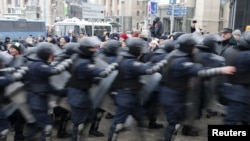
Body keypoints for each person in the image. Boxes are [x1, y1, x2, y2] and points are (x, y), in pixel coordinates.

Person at [159, 33, 236, 141]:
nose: (196, 48)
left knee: (176, 122)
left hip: (172, 94)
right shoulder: (182, 61)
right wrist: (221, 70)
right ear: (188, 46)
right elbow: (200, 71)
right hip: (174, 97)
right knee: (173, 125)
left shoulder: (175, 55)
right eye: (193, 46)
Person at [107, 37, 168, 141]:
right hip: (126, 97)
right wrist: (163, 62)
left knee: (140, 118)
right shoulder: (131, 62)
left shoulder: (123, 58)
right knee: (118, 124)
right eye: (139, 49)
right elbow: (149, 70)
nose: (141, 52)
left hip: (131, 96)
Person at [66, 37, 118, 141]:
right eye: (91, 48)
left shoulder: (80, 58)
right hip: (78, 96)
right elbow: (102, 72)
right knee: (79, 125)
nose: (94, 50)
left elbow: (88, 77)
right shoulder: (84, 63)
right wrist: (114, 65)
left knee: (87, 118)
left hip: (83, 94)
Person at [24, 42, 73, 141]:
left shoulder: (38, 64)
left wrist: (61, 91)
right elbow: (54, 71)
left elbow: (46, 84)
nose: (52, 56)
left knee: (37, 126)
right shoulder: (39, 65)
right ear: (45, 54)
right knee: (47, 126)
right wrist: (69, 61)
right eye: (51, 54)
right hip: (37, 101)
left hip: (39, 100)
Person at [220, 31, 250, 125]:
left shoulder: (233, 51)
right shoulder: (246, 55)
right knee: (232, 121)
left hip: (234, 92)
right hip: (240, 94)